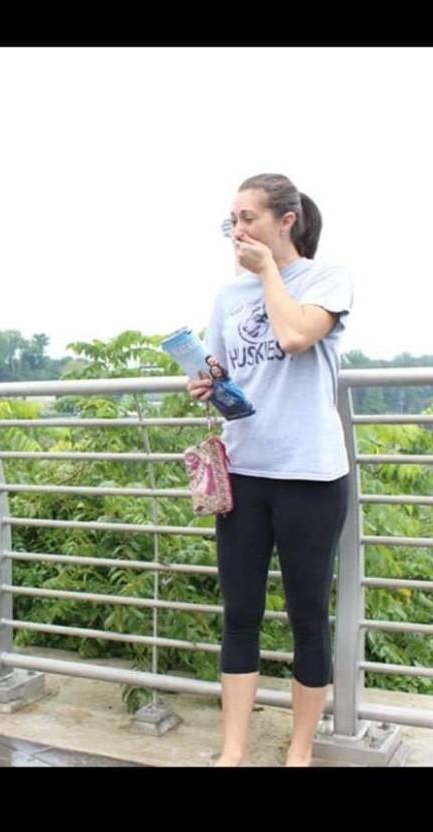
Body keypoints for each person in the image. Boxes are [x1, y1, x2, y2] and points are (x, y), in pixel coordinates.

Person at [188, 173, 353, 767]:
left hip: (310, 474)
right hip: (245, 470)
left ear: (286, 221)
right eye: (232, 220)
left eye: (249, 217)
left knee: (307, 617)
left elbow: (294, 336)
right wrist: (208, 384)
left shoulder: (328, 279)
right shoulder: (227, 297)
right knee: (240, 615)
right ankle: (233, 750)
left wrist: (266, 273)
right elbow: (227, 371)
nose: (238, 230)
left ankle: (299, 752)